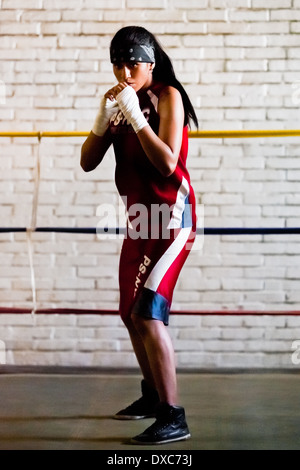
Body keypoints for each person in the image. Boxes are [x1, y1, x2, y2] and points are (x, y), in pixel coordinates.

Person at [80, 25, 198, 445]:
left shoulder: (167, 96)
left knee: (148, 312)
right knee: (129, 312)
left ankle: (173, 415)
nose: (125, 71)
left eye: (133, 61)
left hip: (171, 221)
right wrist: (101, 122)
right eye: (118, 62)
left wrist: (133, 115)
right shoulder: (119, 101)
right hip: (137, 223)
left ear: (150, 62)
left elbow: (167, 164)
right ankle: (152, 397)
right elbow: (87, 163)